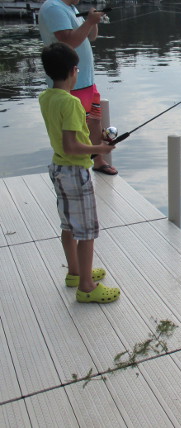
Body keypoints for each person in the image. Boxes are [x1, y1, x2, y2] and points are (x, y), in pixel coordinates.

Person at [39, 42, 121, 303]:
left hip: (58, 169)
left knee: (68, 225)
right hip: (75, 172)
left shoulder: (46, 98)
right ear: (74, 71)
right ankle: (86, 286)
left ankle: (75, 272)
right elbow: (72, 145)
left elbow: (64, 141)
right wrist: (101, 147)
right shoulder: (72, 103)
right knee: (87, 231)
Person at [38, 0, 118, 175]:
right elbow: (68, 41)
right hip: (69, 83)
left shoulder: (70, 8)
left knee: (95, 120)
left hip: (86, 79)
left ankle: (97, 160)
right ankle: (76, 166)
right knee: (75, 126)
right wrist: (89, 21)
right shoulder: (53, 7)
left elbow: (91, 37)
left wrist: (93, 22)